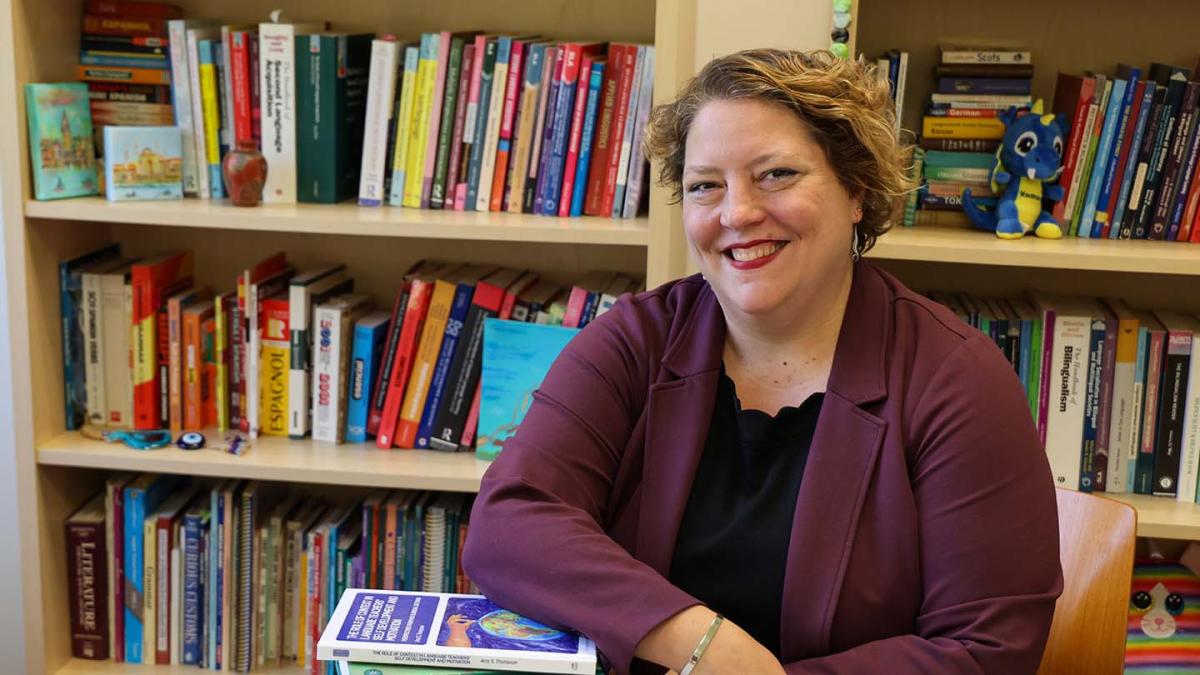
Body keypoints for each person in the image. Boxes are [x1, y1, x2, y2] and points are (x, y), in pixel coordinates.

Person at [462, 48, 1062, 675]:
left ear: (857, 190)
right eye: (705, 186)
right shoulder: (636, 339)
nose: (737, 213)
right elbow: (509, 522)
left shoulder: (955, 379)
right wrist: (706, 645)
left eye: (775, 174)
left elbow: (985, 652)